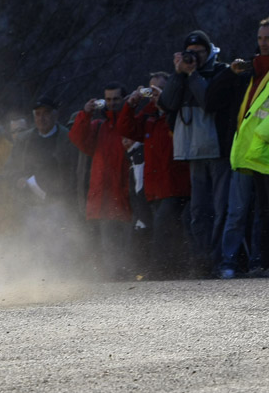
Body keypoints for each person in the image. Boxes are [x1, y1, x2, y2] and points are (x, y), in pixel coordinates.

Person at [158, 30, 231, 276]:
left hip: (218, 149)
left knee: (221, 208)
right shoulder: (184, 74)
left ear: (209, 51)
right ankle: (202, 261)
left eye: (200, 51)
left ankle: (221, 261)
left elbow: (209, 101)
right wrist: (178, 74)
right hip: (193, 151)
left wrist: (193, 75)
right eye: (191, 52)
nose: (195, 56)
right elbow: (167, 103)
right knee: (198, 211)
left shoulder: (221, 71)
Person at [117, 72, 192, 278]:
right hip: (155, 188)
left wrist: (166, 104)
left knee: (162, 226)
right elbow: (126, 128)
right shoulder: (150, 115)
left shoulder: (176, 112)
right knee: (170, 228)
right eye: (151, 89)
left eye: (160, 89)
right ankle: (176, 269)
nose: (154, 93)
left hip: (176, 185)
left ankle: (159, 270)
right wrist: (131, 103)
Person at [211, 17, 269, 278]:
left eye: (267, 38)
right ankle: (229, 264)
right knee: (238, 211)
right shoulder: (248, 71)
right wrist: (228, 73)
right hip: (244, 153)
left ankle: (258, 262)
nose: (263, 43)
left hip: (263, 152)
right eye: (260, 38)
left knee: (262, 214)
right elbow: (212, 99)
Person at [4, 96, 79, 266]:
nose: (41, 118)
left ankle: (62, 279)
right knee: (33, 248)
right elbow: (10, 169)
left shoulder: (67, 139)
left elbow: (75, 170)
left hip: (58, 202)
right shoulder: (24, 140)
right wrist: (18, 180)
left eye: (46, 113)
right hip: (30, 203)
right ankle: (36, 281)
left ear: (55, 115)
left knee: (59, 247)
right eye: (37, 114)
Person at [70, 83, 133, 279]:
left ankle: (131, 273)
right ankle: (110, 276)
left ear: (124, 99)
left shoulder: (131, 124)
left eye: (116, 99)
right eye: (108, 99)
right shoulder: (98, 127)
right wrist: (85, 114)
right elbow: (77, 138)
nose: (112, 103)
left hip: (127, 194)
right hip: (104, 197)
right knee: (107, 243)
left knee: (130, 242)